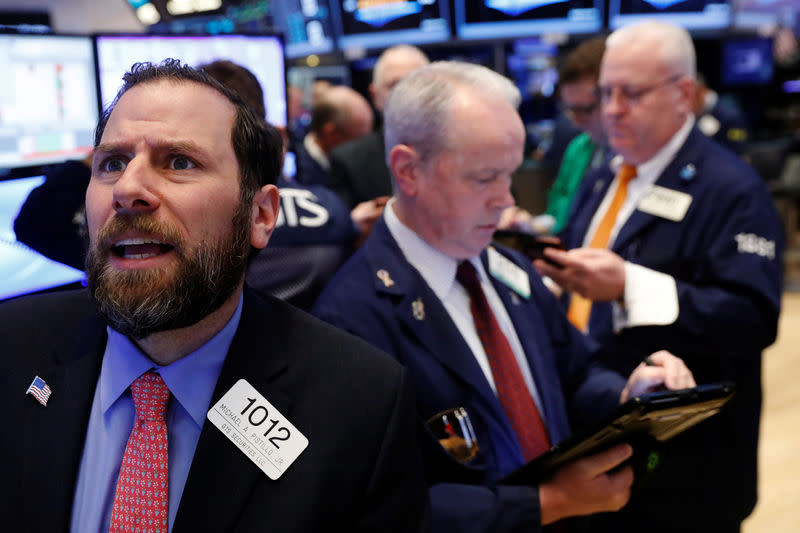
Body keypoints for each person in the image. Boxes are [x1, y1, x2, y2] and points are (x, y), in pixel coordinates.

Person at [0, 60, 429, 532]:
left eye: (179, 162)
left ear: (261, 215)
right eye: (112, 163)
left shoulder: (361, 405)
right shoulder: (11, 347)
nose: (127, 188)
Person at [313, 60, 697, 532]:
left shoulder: (506, 266)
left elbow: (574, 373)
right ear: (408, 171)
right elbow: (378, 509)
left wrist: (627, 393)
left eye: (509, 175)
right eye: (483, 178)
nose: (506, 199)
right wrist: (544, 504)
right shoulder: (349, 320)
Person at [535, 21, 783, 533]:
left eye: (632, 94)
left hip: (685, 464)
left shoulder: (732, 189)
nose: (612, 110)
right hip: (597, 429)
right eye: (606, 93)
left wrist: (630, 286)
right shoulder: (607, 170)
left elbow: (752, 318)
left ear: (683, 94)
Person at [327, 44, 430, 209]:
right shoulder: (348, 161)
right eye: (394, 85)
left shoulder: (457, 150)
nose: (405, 93)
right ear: (375, 95)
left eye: (415, 83)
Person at [545, 36, 610, 235]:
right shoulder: (578, 147)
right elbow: (556, 212)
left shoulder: (637, 157)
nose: (575, 121)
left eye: (585, 109)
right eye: (570, 110)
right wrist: (531, 226)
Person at [293, 85, 373, 187]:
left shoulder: (361, 166)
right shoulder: (296, 168)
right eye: (357, 140)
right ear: (330, 133)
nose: (363, 147)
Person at [693, 74, 750, 155]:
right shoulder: (690, 116)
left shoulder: (732, 117)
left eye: (692, 96)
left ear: (702, 90)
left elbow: (737, 151)